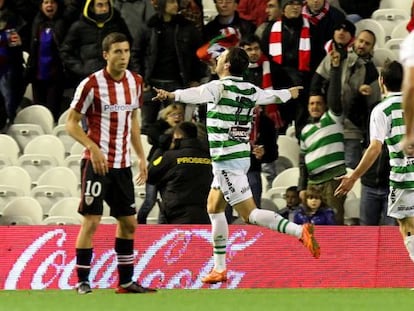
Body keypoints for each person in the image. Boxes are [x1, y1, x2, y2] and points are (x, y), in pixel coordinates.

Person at [152, 46, 320, 284]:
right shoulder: (250, 89)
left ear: (227, 65)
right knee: (214, 207)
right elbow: (271, 96)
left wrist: (171, 95)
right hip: (239, 157)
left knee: (249, 214)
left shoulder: (218, 87)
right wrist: (290, 93)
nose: (216, 59)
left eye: (220, 57)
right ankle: (220, 268)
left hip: (226, 161)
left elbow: (195, 94)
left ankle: (299, 231)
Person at [65, 32, 156, 294]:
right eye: (117, 51)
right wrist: (92, 148)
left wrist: (141, 157)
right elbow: (71, 123)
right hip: (96, 164)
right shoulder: (91, 84)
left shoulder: (136, 82)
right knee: (92, 221)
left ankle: (125, 282)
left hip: (122, 165)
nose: (123, 56)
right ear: (106, 55)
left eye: (126, 51)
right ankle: (83, 281)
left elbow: (134, 122)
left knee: (129, 223)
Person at [334, 61, 414, 268]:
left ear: (381, 81)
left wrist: (353, 177)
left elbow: (375, 148)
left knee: (408, 227)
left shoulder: (381, 110)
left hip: (405, 178)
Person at [311, 29, 381, 169]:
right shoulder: (337, 57)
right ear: (355, 41)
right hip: (329, 126)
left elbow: (373, 108)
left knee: (348, 173)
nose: (362, 45)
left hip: (352, 131)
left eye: (367, 43)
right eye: (361, 41)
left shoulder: (372, 72)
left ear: (372, 48)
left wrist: (362, 95)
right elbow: (316, 85)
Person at [136, 0, 204, 133]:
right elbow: (136, 53)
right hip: (151, 84)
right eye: (172, 2)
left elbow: (198, 55)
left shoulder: (187, 27)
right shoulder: (149, 27)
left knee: (177, 128)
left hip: (177, 84)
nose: (176, 6)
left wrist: (195, 78)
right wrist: (141, 77)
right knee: (147, 128)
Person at [299, 47, 347, 225]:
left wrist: (335, 68)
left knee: (335, 225)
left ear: (325, 105)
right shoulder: (304, 131)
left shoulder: (333, 118)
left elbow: (335, 96)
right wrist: (301, 187)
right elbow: (302, 163)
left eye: (319, 103)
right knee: (311, 229)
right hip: (313, 185)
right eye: (311, 103)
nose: (315, 106)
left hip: (333, 184)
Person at [147, 121, 212, 224]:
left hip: (175, 211)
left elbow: (150, 175)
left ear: (178, 135)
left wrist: (161, 148)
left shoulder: (170, 157)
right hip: (204, 211)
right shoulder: (208, 157)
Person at [137, 104, 184, 224]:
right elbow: (154, 136)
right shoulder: (157, 128)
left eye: (180, 115)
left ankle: (162, 227)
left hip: (170, 170)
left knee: (166, 202)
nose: (177, 117)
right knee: (149, 201)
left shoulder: (183, 130)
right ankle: (140, 225)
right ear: (166, 116)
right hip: (155, 169)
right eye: (174, 115)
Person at [25, 0, 68, 122]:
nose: (49, 5)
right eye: (46, 2)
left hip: (55, 76)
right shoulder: (36, 22)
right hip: (37, 75)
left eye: (53, 2)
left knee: (52, 113)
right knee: (39, 113)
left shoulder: (63, 22)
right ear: (41, 6)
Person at [0, 0, 25, 132]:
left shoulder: (12, 18)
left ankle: (9, 127)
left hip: (8, 69)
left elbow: (16, 47)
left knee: (8, 100)